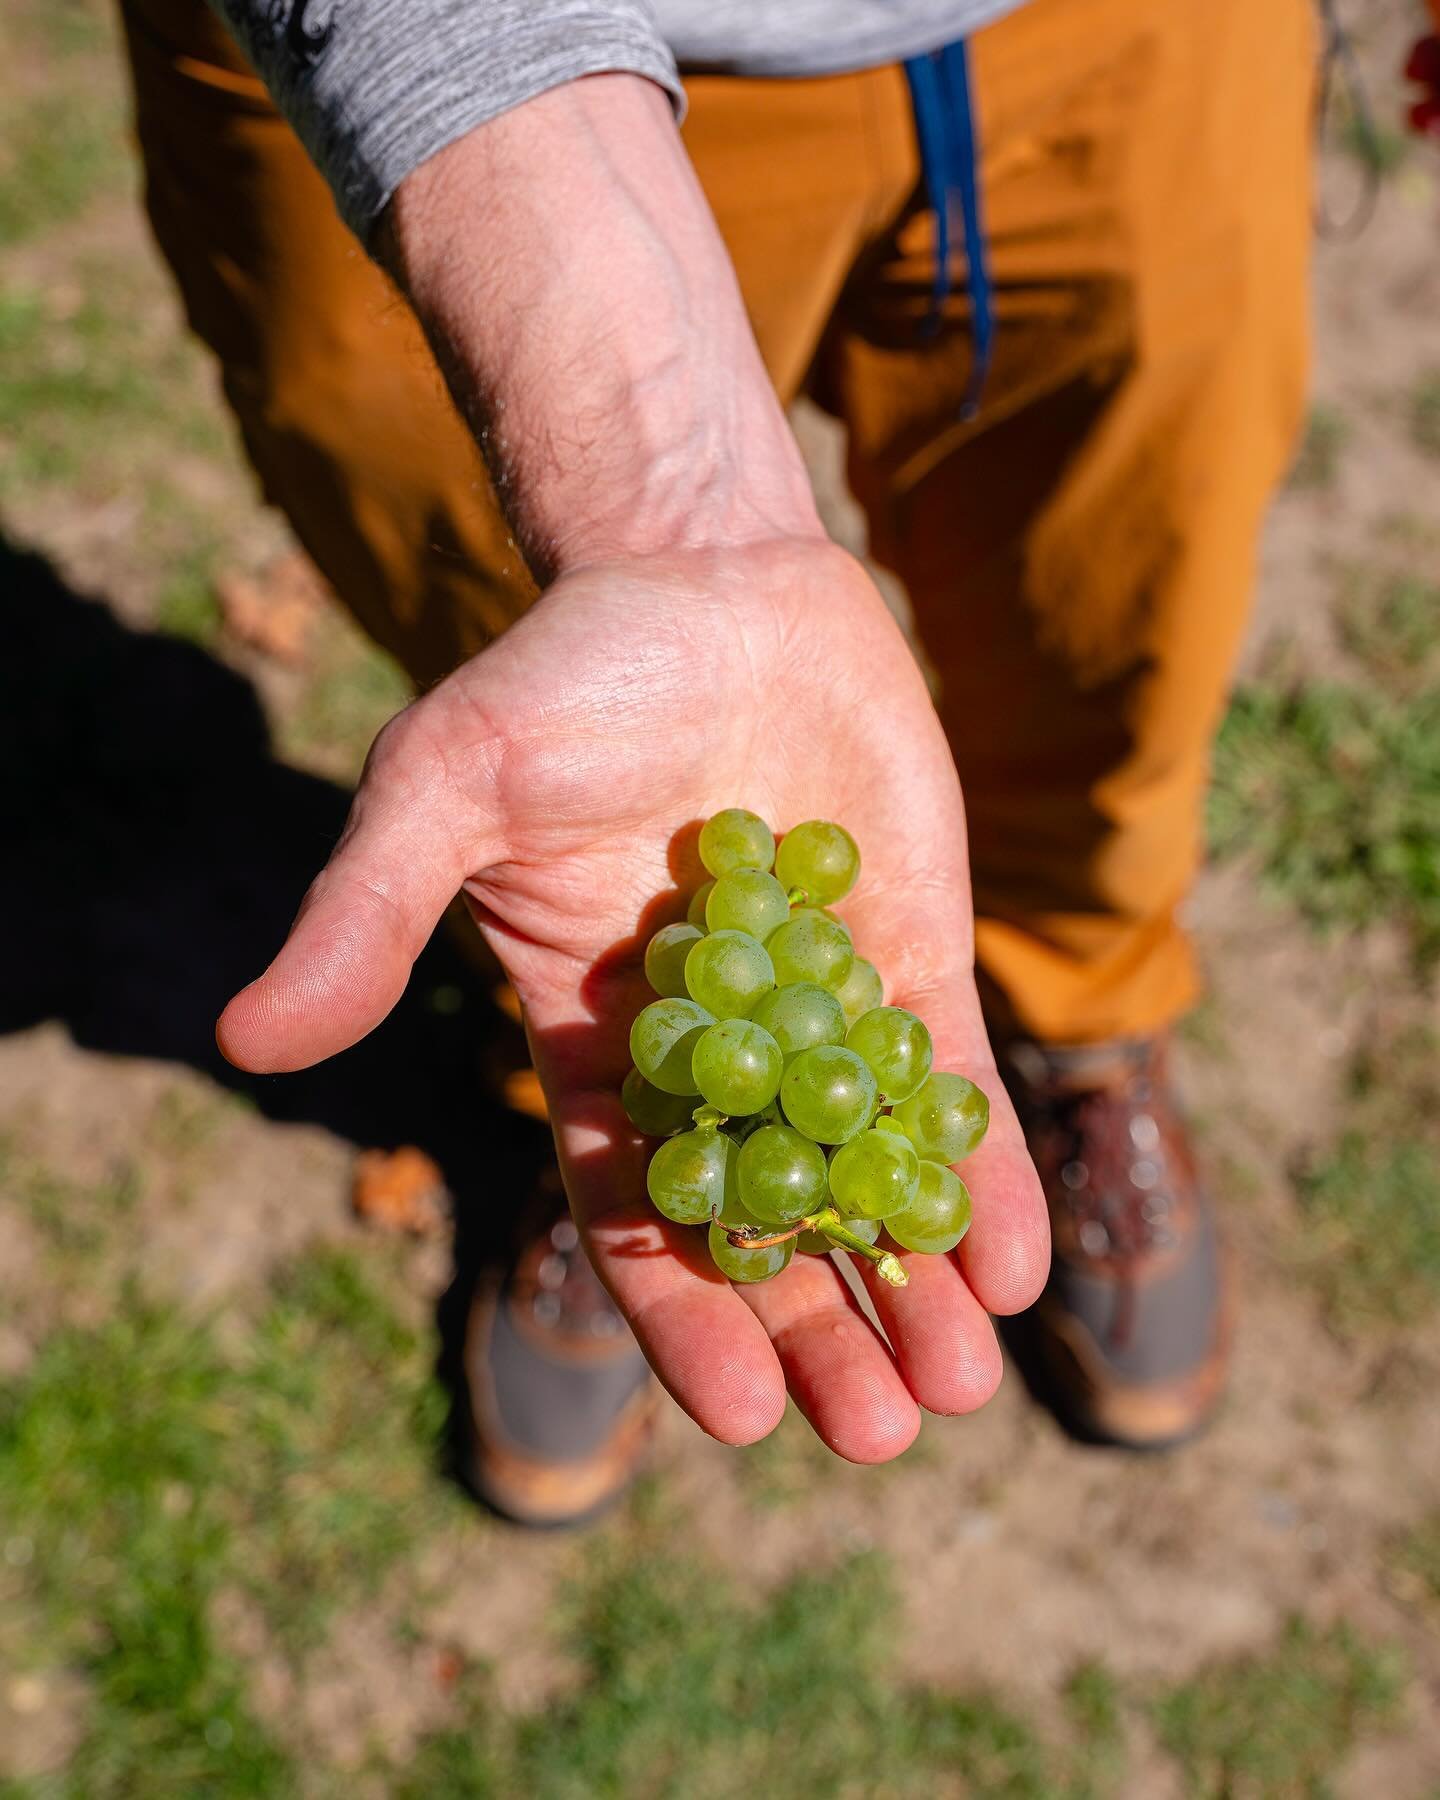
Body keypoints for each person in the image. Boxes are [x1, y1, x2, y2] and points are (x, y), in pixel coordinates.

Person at [118, 0, 1316, 1525]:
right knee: (534, 683)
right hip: (408, 69)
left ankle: (1084, 1014)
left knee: (1116, 619)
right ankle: (577, 1104)